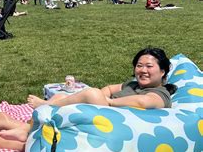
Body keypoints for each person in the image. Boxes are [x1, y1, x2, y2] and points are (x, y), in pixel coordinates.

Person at [28, 47, 176, 110]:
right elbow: (111, 88)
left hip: (114, 119)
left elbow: (142, 101)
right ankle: (26, 127)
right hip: (105, 108)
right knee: (61, 95)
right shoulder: (132, 85)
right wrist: (103, 96)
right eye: (139, 65)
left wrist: (109, 101)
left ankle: (46, 107)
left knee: (91, 93)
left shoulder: (161, 93)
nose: (143, 70)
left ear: (162, 71)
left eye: (149, 66)